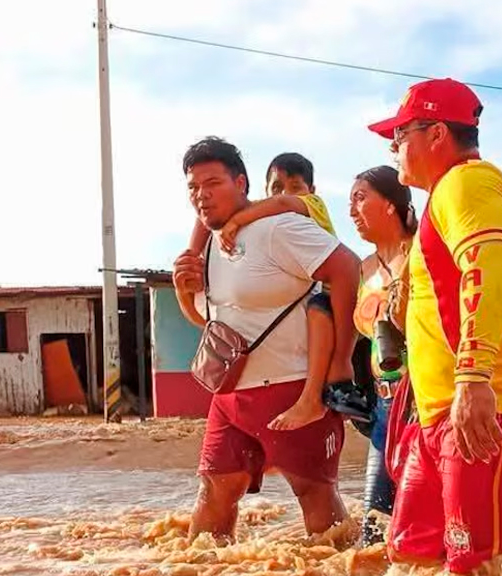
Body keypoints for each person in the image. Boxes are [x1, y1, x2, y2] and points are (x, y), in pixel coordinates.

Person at [367, 78, 502, 572]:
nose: (395, 148)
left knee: (483, 563)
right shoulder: (447, 196)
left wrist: (474, 377)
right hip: (443, 412)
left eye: (400, 136)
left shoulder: (468, 182)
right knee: (413, 553)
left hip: (491, 406)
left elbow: (486, 268)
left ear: (436, 133)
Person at [172, 136, 361, 544]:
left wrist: (340, 362)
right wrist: (183, 293)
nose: (201, 196)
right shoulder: (207, 248)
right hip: (230, 397)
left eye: (212, 184)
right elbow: (211, 323)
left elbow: (347, 269)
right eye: (193, 188)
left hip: (294, 390)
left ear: (242, 184)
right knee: (212, 500)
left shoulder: (279, 227)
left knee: (319, 506)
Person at [198, 151, 366, 431]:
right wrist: (194, 252)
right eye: (276, 186)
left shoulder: (309, 206)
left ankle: (328, 380)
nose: (286, 193)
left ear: (311, 191)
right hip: (314, 305)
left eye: (295, 186)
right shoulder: (263, 223)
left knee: (316, 311)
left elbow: (281, 203)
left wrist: (238, 220)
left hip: (333, 300)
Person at [348, 165, 417, 545]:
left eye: (361, 198)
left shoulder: (421, 253)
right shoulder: (364, 269)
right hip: (384, 406)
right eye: (350, 202)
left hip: (423, 401)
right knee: (375, 529)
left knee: (427, 522)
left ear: (391, 204)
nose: (352, 210)